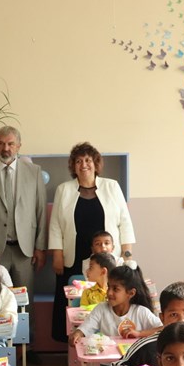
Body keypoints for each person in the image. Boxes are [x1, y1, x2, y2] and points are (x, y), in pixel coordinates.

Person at [49, 143, 136, 342]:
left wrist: (127, 254)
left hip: (107, 255)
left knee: (108, 293)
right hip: (74, 253)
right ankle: (72, 343)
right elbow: (55, 225)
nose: (84, 165)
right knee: (75, 299)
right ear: (73, 166)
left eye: (88, 160)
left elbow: (125, 221)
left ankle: (108, 339)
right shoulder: (64, 189)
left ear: (96, 163)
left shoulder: (112, 186)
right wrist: (57, 254)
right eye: (78, 161)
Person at [0, 126, 47, 304]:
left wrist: (40, 247)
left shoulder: (34, 172)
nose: (6, 148)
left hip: (25, 251)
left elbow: (41, 211)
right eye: (1, 143)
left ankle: (27, 326)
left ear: (19, 146)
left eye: (11, 144)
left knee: (25, 303)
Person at [69, 265, 160, 346]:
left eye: (115, 289)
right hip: (108, 360)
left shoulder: (140, 312)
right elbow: (85, 328)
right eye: (109, 287)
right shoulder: (101, 309)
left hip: (134, 360)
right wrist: (77, 334)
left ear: (131, 293)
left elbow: (163, 329)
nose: (109, 292)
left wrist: (139, 333)